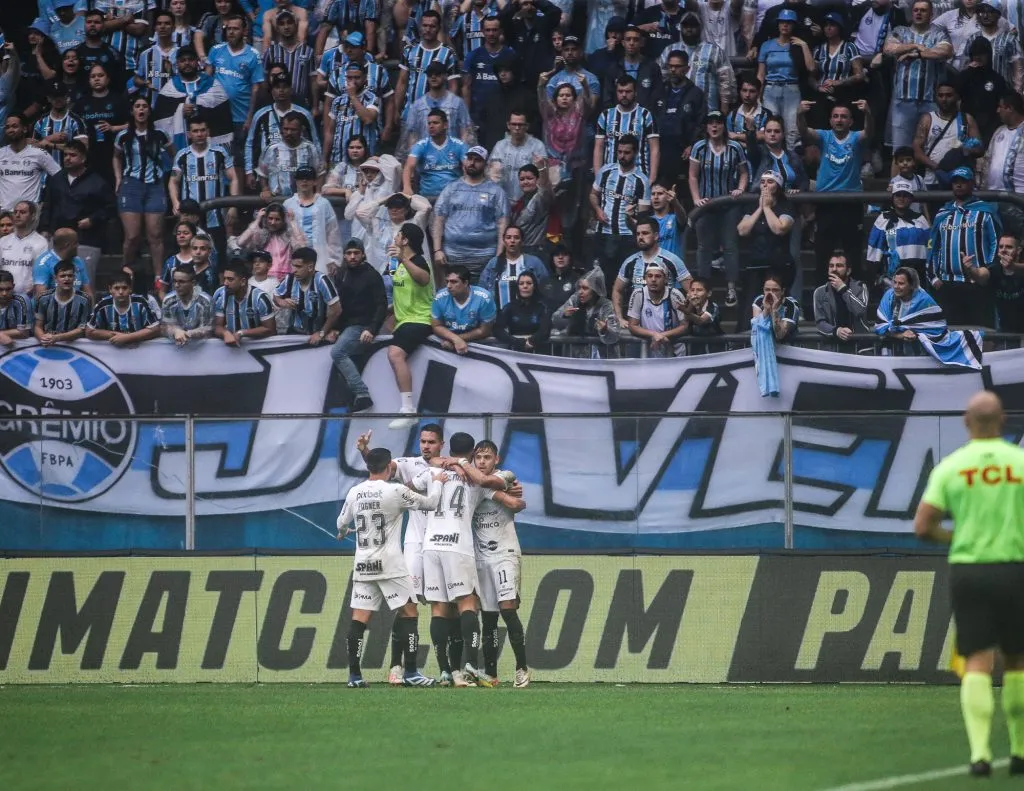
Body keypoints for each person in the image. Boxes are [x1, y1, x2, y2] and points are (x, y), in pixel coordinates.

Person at [913, 390, 1024, 777]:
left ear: (966, 422)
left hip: (969, 571)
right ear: (1003, 420)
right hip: (1016, 569)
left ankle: (979, 755)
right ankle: (1019, 751)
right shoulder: (1020, 463)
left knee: (977, 658)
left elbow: (923, 526)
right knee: (1018, 660)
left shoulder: (951, 467)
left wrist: (957, 538)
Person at [336, 447, 444, 688]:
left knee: (359, 619)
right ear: (388, 467)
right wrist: (436, 481)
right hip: (390, 564)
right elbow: (431, 503)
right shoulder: (395, 490)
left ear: (368, 467)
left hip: (363, 564)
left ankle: (354, 677)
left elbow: (341, 522)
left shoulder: (355, 492)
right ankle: (412, 672)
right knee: (409, 611)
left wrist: (343, 532)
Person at [420, 430, 515, 687]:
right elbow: (508, 498)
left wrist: (442, 463)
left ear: (447, 448)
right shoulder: (478, 479)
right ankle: (471, 666)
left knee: (438, 607)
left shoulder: (430, 472)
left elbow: (410, 486)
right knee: (468, 604)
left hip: (430, 546)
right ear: (473, 454)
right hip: (457, 545)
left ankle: (445, 672)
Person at [470, 439, 530, 687]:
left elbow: (518, 504)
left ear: (496, 460)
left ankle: (522, 668)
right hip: (480, 557)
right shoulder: (467, 485)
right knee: (489, 616)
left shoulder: (503, 476)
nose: (482, 461)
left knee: (508, 608)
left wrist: (509, 492)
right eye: (478, 457)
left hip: (505, 553)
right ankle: (491, 673)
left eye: (487, 457)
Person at [797, 98, 873, 285]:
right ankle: (821, 297)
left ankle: (855, 298)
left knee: (853, 254)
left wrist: (868, 113)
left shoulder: (855, 138)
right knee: (823, 253)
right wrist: (799, 114)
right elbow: (804, 132)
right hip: (826, 203)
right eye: (836, 116)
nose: (839, 120)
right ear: (830, 120)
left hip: (850, 203)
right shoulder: (825, 136)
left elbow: (869, 132)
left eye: (844, 117)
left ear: (850, 121)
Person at [688, 110, 748, 307]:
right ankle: (703, 289)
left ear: (724, 126)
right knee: (704, 247)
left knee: (730, 246)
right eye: (711, 123)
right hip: (706, 204)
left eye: (718, 123)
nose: (714, 127)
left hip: (727, 203)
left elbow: (743, 172)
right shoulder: (699, 147)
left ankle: (731, 288)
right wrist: (696, 198)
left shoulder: (735, 148)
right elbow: (693, 176)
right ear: (706, 127)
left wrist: (740, 188)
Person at [927, 166, 1000, 325]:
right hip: (947, 284)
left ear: (971, 184)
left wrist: (988, 271)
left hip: (976, 284)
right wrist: (933, 277)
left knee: (982, 332)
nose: (959, 185)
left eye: (963, 182)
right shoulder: (943, 213)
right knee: (951, 334)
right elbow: (933, 247)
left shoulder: (985, 212)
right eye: (955, 182)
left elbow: (995, 242)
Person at [115, 97, 175, 290]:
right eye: (137, 106)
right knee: (132, 236)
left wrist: (172, 177)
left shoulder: (160, 134)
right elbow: (116, 156)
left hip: (155, 185)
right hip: (131, 185)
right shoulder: (123, 135)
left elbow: (175, 154)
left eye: (144, 106)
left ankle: (158, 278)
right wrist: (118, 178)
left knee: (155, 235)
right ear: (132, 111)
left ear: (149, 111)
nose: (141, 110)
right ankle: (125, 272)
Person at [874, 266, 984, 366]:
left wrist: (916, 333)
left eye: (901, 283)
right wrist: (900, 334)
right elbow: (880, 325)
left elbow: (936, 327)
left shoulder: (924, 300)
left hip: (918, 356)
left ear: (911, 285)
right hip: (891, 352)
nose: (896, 287)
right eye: (895, 282)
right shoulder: (889, 295)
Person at [39, 140, 114, 288]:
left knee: (84, 282)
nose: (67, 158)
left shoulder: (97, 181)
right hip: (58, 238)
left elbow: (111, 207)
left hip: (85, 239)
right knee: (54, 281)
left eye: (73, 155)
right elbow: (48, 205)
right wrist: (45, 229)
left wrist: (93, 219)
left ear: (83, 158)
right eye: (65, 155)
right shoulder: (56, 179)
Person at [883, 0, 953, 150]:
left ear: (931, 14)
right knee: (900, 150)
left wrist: (918, 54)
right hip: (903, 100)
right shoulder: (901, 31)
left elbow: (946, 51)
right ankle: (899, 175)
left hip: (930, 101)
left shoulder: (938, 34)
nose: (919, 13)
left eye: (923, 10)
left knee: (931, 148)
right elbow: (889, 48)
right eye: (916, 10)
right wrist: (914, 45)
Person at [432, 146, 509, 281]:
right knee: (455, 293)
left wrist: (499, 255)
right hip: (453, 255)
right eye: (469, 158)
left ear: (486, 164)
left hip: (484, 256)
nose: (472, 163)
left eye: (477, 160)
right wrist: (437, 250)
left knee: (482, 295)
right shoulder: (451, 189)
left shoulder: (496, 191)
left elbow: (503, 224)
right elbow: (438, 219)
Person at [169, 115, 241, 255]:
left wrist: (233, 205)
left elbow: (234, 179)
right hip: (189, 217)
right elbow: (173, 181)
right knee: (189, 254)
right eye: (195, 131)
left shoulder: (219, 152)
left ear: (208, 132)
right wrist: (175, 202)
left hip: (215, 215)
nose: (200, 134)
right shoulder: (182, 155)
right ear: (189, 134)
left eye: (202, 130)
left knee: (218, 254)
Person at [329, 239, 387, 412]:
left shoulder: (372, 275)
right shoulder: (341, 273)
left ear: (363, 254)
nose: (352, 257)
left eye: (356, 253)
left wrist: (372, 329)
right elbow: (339, 305)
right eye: (349, 253)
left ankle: (362, 394)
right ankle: (351, 400)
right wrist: (335, 328)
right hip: (346, 326)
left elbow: (381, 304)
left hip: (363, 326)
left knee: (338, 352)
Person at [387, 222, 435, 427]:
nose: (395, 237)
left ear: (405, 240)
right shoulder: (398, 264)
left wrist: (403, 258)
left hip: (419, 319)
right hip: (403, 320)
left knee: (395, 353)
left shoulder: (418, 261)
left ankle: (408, 410)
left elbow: (424, 279)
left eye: (398, 234)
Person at [736, 171, 795, 332]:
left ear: (778, 185)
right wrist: (759, 209)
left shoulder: (785, 205)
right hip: (755, 264)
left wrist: (767, 208)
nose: (765, 186)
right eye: (762, 182)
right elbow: (742, 229)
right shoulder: (752, 204)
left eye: (770, 182)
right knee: (749, 306)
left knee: (775, 302)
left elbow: (779, 228)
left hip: (778, 265)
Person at [207, 13, 265, 174]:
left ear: (244, 31)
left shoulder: (253, 55)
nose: (231, 32)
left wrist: (250, 117)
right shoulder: (216, 51)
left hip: (241, 117)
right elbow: (206, 79)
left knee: (239, 160)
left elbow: (256, 88)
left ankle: (238, 197)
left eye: (235, 29)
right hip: (218, 116)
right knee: (218, 158)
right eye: (228, 28)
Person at [590, 135, 652, 285]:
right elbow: (593, 194)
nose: (622, 156)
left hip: (627, 236)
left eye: (627, 152)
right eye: (619, 152)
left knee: (624, 280)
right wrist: (597, 209)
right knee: (602, 278)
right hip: (604, 233)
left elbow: (643, 217)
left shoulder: (642, 180)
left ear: (635, 153)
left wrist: (630, 218)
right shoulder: (606, 171)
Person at [153, 45, 234, 152]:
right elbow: (161, 120)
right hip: (179, 148)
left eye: (190, 59)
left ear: (197, 62)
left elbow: (223, 116)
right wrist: (180, 110)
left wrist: (198, 109)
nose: (187, 63)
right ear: (177, 64)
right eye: (183, 60)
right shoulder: (169, 88)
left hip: (209, 145)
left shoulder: (213, 85)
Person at [245, 73, 319, 190]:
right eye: (277, 87)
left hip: (300, 167)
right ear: (272, 91)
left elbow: (315, 141)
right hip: (269, 170)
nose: (281, 90)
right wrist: (249, 171)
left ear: (291, 90)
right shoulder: (261, 114)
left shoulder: (304, 114)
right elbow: (250, 143)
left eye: (285, 87)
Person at [612, 216, 690, 327]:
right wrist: (619, 318)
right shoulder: (630, 262)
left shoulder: (672, 260)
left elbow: (692, 291)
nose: (640, 237)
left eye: (645, 233)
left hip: (667, 327)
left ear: (656, 236)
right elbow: (617, 290)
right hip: (637, 328)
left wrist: (686, 318)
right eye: (638, 234)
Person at [756, 9, 816, 151]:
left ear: (794, 25)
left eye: (789, 23)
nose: (785, 25)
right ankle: (770, 164)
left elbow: (812, 69)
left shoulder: (797, 45)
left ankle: (791, 165)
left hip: (791, 88)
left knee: (792, 130)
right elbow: (761, 74)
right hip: (771, 88)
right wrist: (759, 96)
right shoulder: (767, 45)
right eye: (782, 22)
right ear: (778, 24)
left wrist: (804, 45)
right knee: (770, 128)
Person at [913, 81, 984, 189]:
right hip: (932, 180)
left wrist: (965, 151)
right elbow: (917, 150)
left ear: (957, 97)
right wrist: (938, 167)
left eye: (949, 95)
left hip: (960, 180)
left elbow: (980, 149)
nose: (944, 99)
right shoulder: (927, 119)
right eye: (940, 95)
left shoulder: (967, 119)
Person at [400, 60, 472, 160]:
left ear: (445, 76)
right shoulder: (417, 105)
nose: (433, 77)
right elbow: (412, 136)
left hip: (452, 159)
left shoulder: (457, 103)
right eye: (430, 74)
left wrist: (464, 157)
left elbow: (465, 132)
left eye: (437, 74)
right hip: (425, 161)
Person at [866, 178, 931, 287]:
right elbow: (873, 251)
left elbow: (930, 247)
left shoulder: (921, 220)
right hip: (893, 280)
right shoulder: (883, 219)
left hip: (918, 279)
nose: (901, 198)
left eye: (905, 195)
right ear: (893, 198)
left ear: (911, 199)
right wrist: (876, 275)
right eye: (898, 195)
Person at [73, 63, 130, 187]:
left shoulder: (118, 100)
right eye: (93, 76)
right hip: (89, 154)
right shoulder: (81, 103)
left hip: (114, 153)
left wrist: (114, 128)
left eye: (100, 75)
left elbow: (132, 125)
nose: (97, 79)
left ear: (108, 79)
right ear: (88, 80)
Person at [593, 75, 660, 181]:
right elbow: (599, 148)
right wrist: (598, 177)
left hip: (639, 176)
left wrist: (652, 178)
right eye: (620, 91)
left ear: (635, 93)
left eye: (628, 91)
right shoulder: (605, 116)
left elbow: (654, 149)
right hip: (610, 177)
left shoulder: (646, 115)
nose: (624, 95)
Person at [284, 166, 343, 274]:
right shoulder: (288, 204)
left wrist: (334, 259)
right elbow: (284, 235)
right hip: (294, 256)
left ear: (315, 181)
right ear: (296, 181)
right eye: (301, 178)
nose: (304, 181)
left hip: (320, 256)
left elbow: (333, 233)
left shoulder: (323, 204)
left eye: (308, 178)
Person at [273, 246, 342, 340]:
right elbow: (276, 296)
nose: (294, 270)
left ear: (310, 267)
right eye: (293, 266)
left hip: (317, 332)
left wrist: (322, 333)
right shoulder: (290, 278)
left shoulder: (322, 281)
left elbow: (336, 310)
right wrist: (281, 301)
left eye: (298, 266)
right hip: (294, 332)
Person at [552, 267, 623, 357]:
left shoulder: (606, 306)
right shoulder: (574, 300)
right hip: (577, 357)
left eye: (585, 288)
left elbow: (614, 336)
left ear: (595, 290)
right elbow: (555, 320)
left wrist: (605, 330)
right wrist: (564, 315)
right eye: (579, 287)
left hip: (602, 358)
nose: (580, 292)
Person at [461, 13, 517, 126]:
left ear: (501, 31)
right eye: (488, 30)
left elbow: (516, 86)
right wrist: (467, 117)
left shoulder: (511, 55)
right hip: (478, 115)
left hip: (503, 115)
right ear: (482, 31)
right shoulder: (473, 56)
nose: (491, 33)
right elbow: (466, 87)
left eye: (495, 30)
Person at [981, 90, 1024, 236]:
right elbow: (988, 160)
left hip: (1019, 198)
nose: (997, 110)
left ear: (1010, 108)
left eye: (1001, 107)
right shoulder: (999, 131)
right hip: (994, 198)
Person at [402, 108, 469, 202]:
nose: (431, 126)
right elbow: (408, 167)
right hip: (427, 197)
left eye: (435, 123)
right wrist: (407, 187)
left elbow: (468, 167)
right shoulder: (421, 145)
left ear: (445, 125)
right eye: (429, 123)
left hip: (453, 196)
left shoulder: (459, 145)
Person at [963, 232, 1024, 332]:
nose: (1003, 250)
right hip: (1003, 330)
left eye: (1009, 247)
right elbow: (980, 275)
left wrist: (1013, 266)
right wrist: (970, 269)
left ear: (1018, 250)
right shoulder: (994, 269)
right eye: (1001, 247)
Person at [478, 225, 549, 310]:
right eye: (508, 237)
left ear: (522, 241)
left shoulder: (534, 262)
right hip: (498, 315)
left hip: (528, 315)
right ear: (504, 240)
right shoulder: (494, 263)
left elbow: (546, 287)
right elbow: (482, 290)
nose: (512, 240)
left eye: (516, 237)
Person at [0, 114, 61, 211]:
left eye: (14, 126)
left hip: (30, 216)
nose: (10, 130)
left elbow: (59, 176)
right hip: (4, 216)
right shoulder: (1, 153)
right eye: (7, 127)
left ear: (24, 129)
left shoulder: (39, 154)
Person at [626, 263, 689, 357]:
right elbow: (632, 326)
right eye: (650, 276)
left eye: (658, 276)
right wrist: (654, 334)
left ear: (665, 279)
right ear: (645, 278)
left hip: (675, 353)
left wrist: (661, 335)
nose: (653, 280)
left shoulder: (675, 295)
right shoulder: (638, 294)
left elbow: (685, 326)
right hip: (650, 352)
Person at [324, 61, 381, 164]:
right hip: (339, 160)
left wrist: (353, 96)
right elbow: (330, 132)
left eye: (357, 78)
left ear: (364, 79)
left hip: (365, 162)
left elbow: (368, 119)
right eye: (349, 78)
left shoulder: (372, 98)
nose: (353, 81)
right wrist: (325, 158)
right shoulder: (338, 101)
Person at [431, 265, 497, 352]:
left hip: (479, 343)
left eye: (454, 282)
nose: (448, 286)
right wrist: (455, 339)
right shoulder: (440, 297)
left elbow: (484, 331)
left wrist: (457, 340)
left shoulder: (484, 298)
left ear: (466, 283)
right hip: (448, 341)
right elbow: (436, 326)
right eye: (447, 281)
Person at [233, 203, 307, 280]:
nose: (273, 222)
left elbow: (302, 249)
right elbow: (240, 242)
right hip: (265, 277)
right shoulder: (260, 234)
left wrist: (292, 222)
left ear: (283, 220)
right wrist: (257, 220)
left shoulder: (288, 235)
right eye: (270, 218)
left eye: (277, 219)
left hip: (285, 277)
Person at [85, 271, 161, 345]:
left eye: (124, 288)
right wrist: (115, 336)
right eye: (116, 288)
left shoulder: (140, 302)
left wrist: (128, 338)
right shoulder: (103, 305)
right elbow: (89, 332)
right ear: (110, 289)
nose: (121, 292)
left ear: (130, 289)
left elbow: (156, 329)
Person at [258, 111, 324, 196]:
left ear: (301, 130)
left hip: (304, 200)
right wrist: (265, 189)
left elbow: (320, 172)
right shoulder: (272, 149)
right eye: (286, 129)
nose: (289, 133)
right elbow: (262, 173)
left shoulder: (310, 148)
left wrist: (318, 192)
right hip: (277, 199)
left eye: (293, 130)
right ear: (281, 129)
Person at [213, 259, 277, 346]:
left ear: (243, 281)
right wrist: (225, 333)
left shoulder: (260, 298)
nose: (225, 283)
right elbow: (217, 326)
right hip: (231, 348)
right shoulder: (220, 295)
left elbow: (270, 329)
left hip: (257, 347)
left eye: (230, 279)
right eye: (224, 279)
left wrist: (242, 333)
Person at [488, 111, 547, 203]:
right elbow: (492, 175)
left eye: (521, 125)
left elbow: (543, 178)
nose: (517, 128)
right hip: (503, 199)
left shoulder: (537, 146)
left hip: (529, 201)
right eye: (514, 124)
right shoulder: (500, 146)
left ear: (527, 126)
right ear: (508, 125)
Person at [813, 250, 871, 344]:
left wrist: (843, 289)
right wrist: (836, 331)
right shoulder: (820, 292)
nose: (834, 269)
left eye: (839, 266)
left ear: (848, 271)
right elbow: (820, 323)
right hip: (833, 348)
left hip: (859, 346)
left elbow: (860, 310)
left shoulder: (860, 287)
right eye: (831, 266)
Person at [262, 9, 315, 106]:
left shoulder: (308, 51)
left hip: (301, 103)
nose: (286, 27)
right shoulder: (271, 52)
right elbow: (265, 80)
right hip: (276, 103)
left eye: (290, 22)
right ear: (277, 28)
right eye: (282, 24)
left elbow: (313, 81)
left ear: (296, 25)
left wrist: (315, 106)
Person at [32, 80, 88, 171]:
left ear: (66, 97)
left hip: (69, 174)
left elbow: (83, 149)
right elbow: (31, 150)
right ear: (48, 98)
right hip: (45, 176)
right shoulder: (40, 122)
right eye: (54, 96)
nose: (58, 99)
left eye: (61, 95)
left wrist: (51, 145)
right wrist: (49, 138)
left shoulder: (76, 121)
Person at [33, 258, 91, 345]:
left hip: (75, 348)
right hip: (49, 346)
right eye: (62, 276)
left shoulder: (84, 299)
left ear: (74, 278)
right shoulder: (43, 298)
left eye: (70, 275)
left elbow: (82, 330)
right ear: (55, 278)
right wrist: (43, 338)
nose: (67, 279)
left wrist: (57, 338)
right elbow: (37, 326)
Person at [494, 271, 550, 352]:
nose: (525, 286)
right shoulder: (510, 307)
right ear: (517, 287)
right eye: (521, 283)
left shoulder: (542, 307)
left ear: (534, 286)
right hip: (515, 352)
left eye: (529, 283)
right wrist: (518, 342)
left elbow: (545, 330)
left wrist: (531, 341)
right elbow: (497, 329)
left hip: (539, 353)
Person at [134, 10, 181, 109]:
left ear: (173, 27)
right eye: (159, 24)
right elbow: (136, 79)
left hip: (175, 106)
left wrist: (171, 71)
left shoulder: (181, 53)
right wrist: (145, 83)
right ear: (155, 28)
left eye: (167, 23)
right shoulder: (145, 53)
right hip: (151, 106)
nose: (162, 26)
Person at [0, 201, 48, 296]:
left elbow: (41, 276)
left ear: (32, 216)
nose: (17, 215)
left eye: (22, 212)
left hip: (28, 298)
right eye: (15, 212)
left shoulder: (41, 242)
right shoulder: (3, 241)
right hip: (3, 296)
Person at [161, 263, 215, 346]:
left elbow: (208, 329)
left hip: (202, 349)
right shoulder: (168, 300)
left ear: (193, 283)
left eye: (181, 282)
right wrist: (175, 331)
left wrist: (187, 334)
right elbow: (165, 326)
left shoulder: (205, 301)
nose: (177, 285)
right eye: (175, 281)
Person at [32, 227, 92, 300]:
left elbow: (88, 293)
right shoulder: (43, 263)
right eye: (75, 243)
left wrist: (91, 310)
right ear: (67, 245)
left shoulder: (78, 261)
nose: (78, 245)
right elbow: (41, 297)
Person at [752, 271, 800, 343]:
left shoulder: (791, 305)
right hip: (765, 344)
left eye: (775, 290)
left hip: (787, 347)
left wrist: (774, 311)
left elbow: (780, 334)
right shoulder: (759, 301)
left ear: (782, 291)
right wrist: (766, 310)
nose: (770, 293)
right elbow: (757, 328)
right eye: (767, 289)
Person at [681, 276, 724, 353]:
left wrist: (686, 309)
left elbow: (701, 321)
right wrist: (690, 305)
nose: (695, 293)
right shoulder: (688, 305)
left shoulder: (713, 306)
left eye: (699, 290)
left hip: (714, 348)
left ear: (709, 293)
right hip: (694, 349)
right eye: (692, 290)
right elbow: (685, 321)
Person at [0, 270, 33, 347]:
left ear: (13, 287)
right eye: (0, 289)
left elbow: (24, 333)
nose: (4, 293)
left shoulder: (22, 300)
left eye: (8, 289)